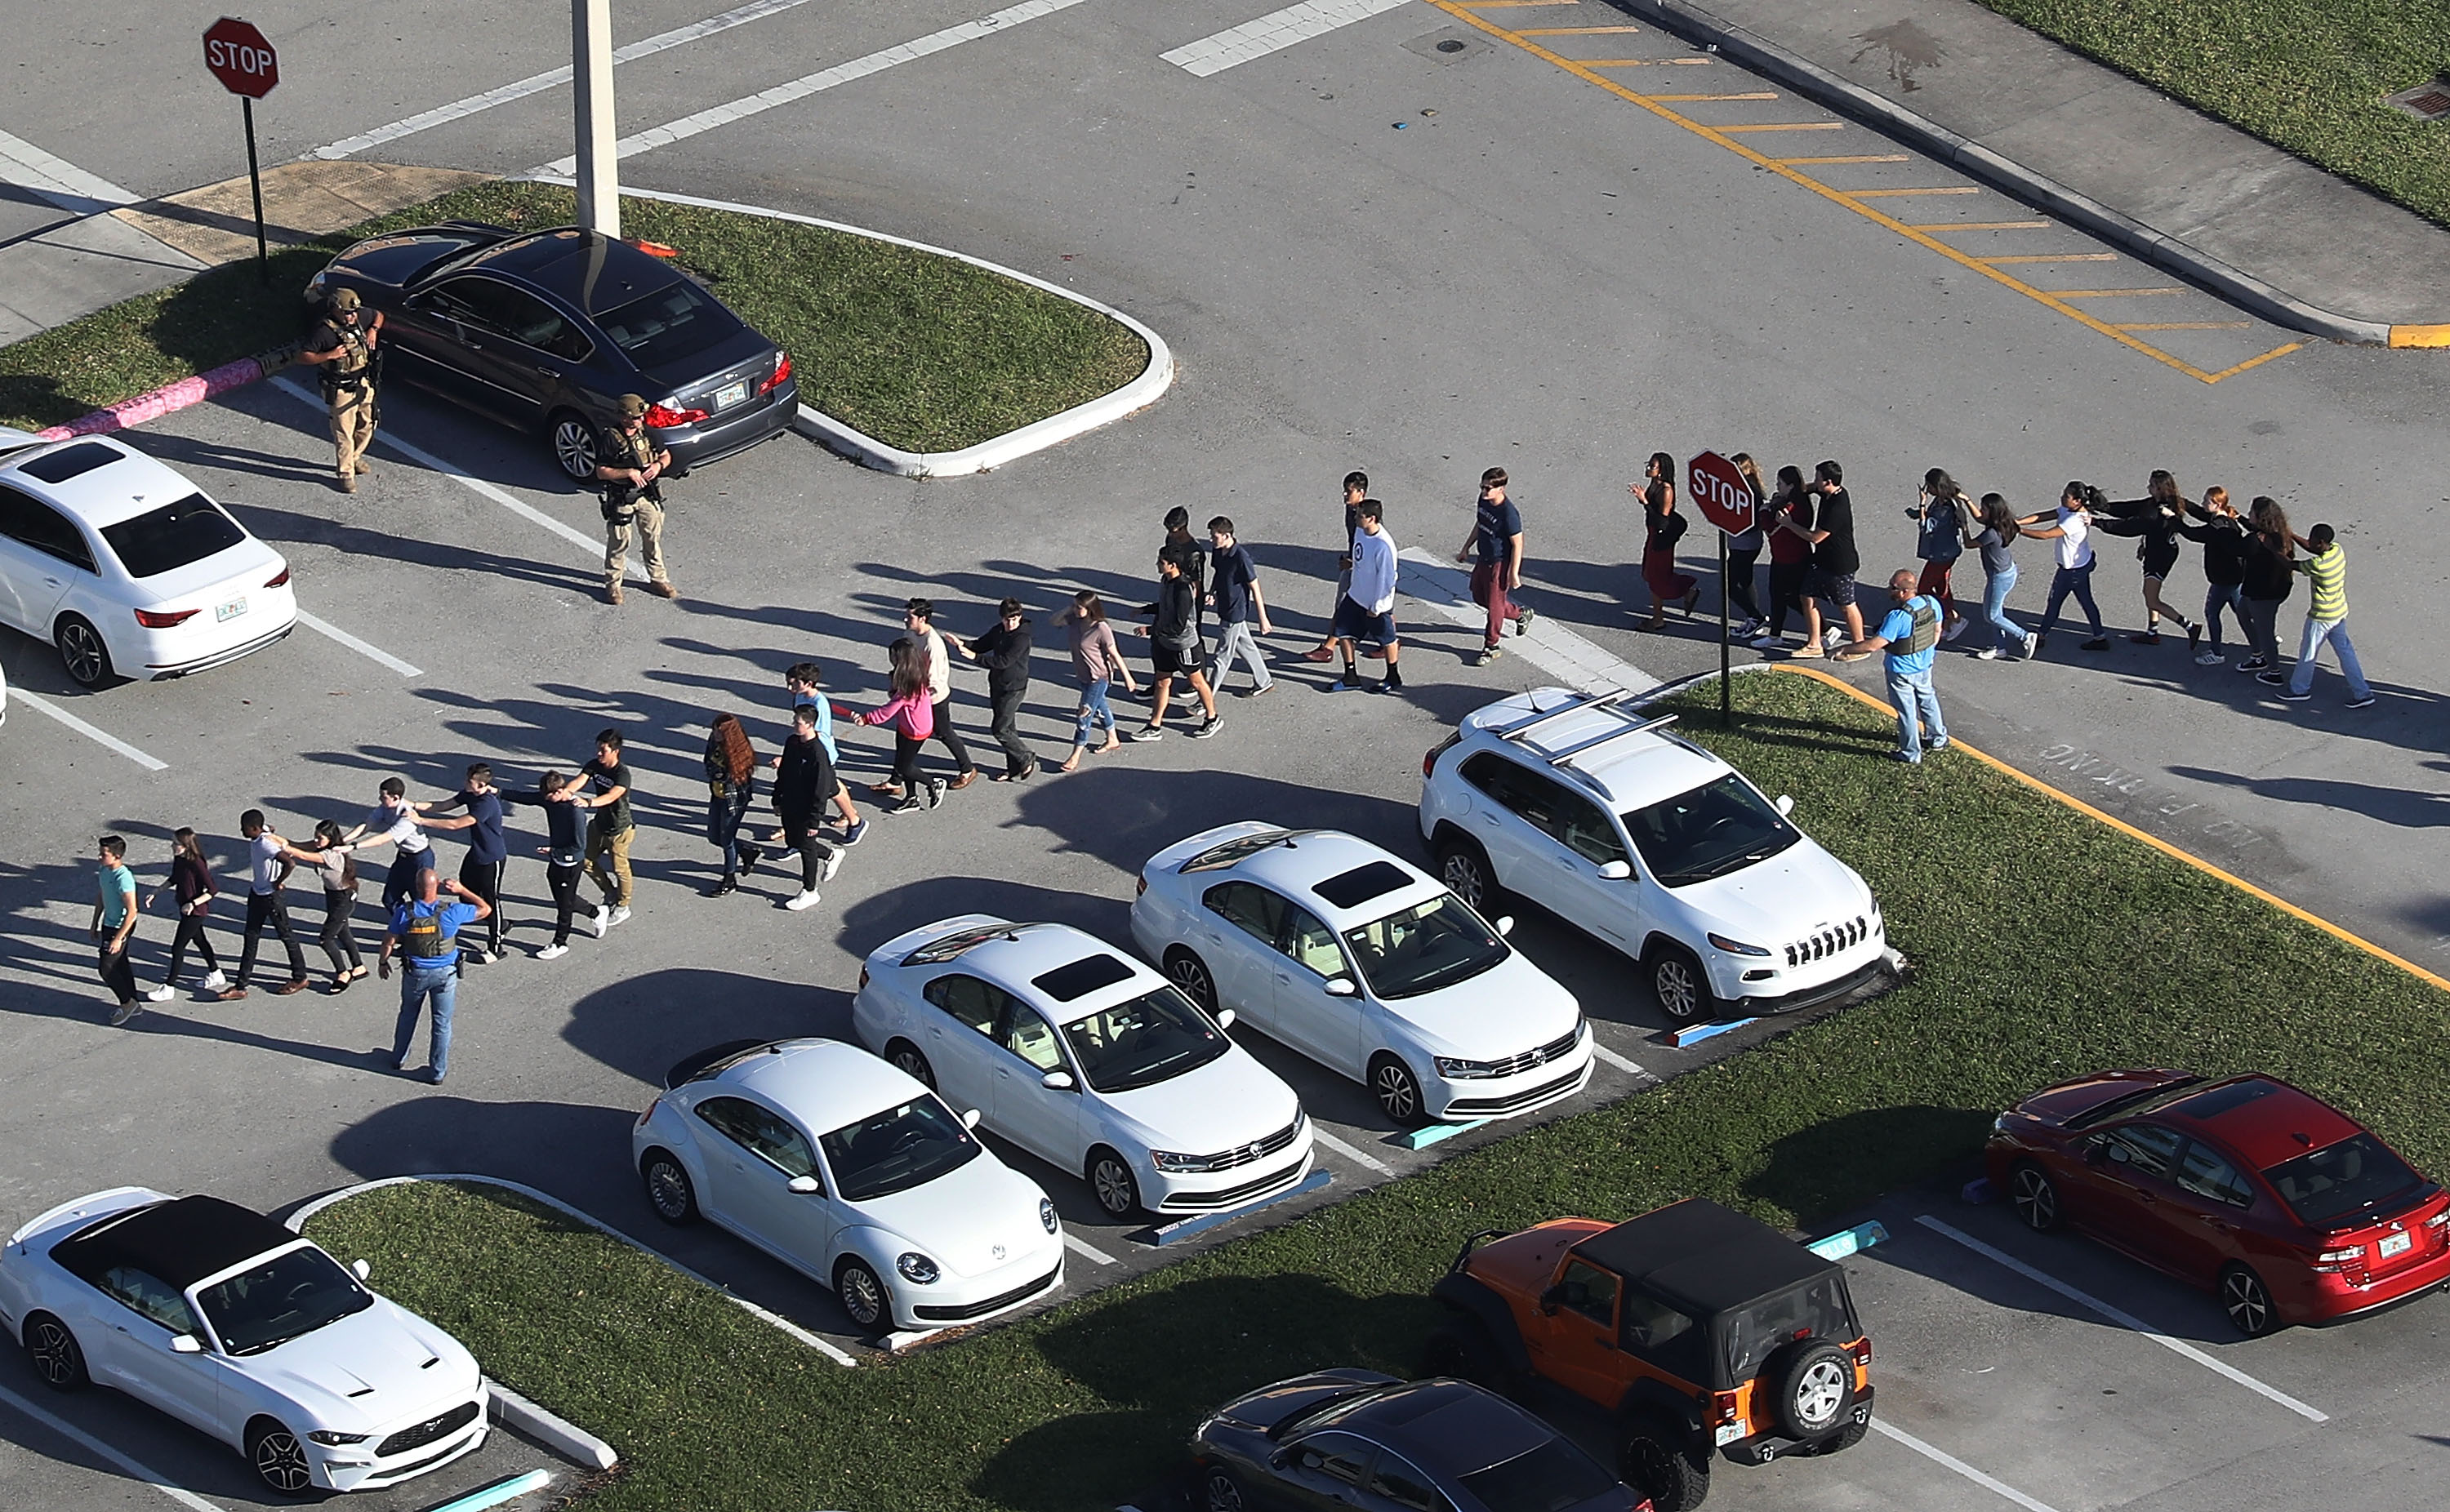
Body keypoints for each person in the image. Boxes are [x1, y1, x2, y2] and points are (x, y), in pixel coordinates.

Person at [379, 869, 488, 1085]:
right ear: (436, 886)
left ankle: (399, 1058)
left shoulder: (405, 912)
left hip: (415, 973)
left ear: (417, 888)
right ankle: (437, 1071)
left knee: (408, 1015)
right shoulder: (451, 912)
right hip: (445, 974)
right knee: (442, 1023)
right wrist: (462, 889)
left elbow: (389, 940)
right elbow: (485, 909)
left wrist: (383, 962)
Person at [1835, 571, 1949, 763]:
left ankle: (1911, 752)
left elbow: (1873, 645)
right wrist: (1927, 651)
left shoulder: (1898, 617)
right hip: (1925, 664)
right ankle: (1938, 738)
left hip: (1900, 669)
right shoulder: (1931, 603)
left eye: (1893, 587)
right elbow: (1937, 630)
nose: (1889, 590)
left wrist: (1844, 648)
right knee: (1928, 698)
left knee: (1906, 712)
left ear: (1904, 592)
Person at [879, 599, 978, 797]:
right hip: (912, 694)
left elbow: (935, 682)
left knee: (943, 732)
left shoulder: (933, 645)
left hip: (932, 699)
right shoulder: (910, 633)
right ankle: (896, 780)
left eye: (910, 616)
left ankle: (968, 769)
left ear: (923, 619)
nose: (906, 619)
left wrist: (910, 695)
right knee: (904, 736)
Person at [2091, 470, 2199, 648]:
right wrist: (2103, 507)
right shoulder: (2170, 503)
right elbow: (2128, 508)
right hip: (2159, 551)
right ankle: (2152, 633)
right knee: (2150, 594)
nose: (2148, 487)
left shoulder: (2155, 511)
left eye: (2151, 485)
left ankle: (2190, 627)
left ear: (2160, 488)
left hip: (2160, 556)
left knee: (2152, 599)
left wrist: (2097, 523)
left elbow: (2129, 526)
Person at [415, 764, 509, 962]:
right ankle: (500, 923)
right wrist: (412, 805)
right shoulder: (470, 794)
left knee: (491, 899)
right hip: (476, 853)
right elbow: (441, 806)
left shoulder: (487, 803)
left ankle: (496, 946)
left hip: (492, 858)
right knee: (466, 893)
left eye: (469, 781)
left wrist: (421, 821)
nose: (465, 783)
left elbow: (455, 824)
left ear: (481, 784)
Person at [294, 287, 381, 493]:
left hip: (362, 383)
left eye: (353, 312)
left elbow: (379, 315)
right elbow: (303, 356)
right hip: (341, 389)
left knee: (368, 423)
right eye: (347, 312)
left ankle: (355, 457)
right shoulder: (324, 332)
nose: (352, 316)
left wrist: (373, 330)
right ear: (335, 309)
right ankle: (345, 474)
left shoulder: (361, 316)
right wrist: (329, 355)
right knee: (344, 433)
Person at [595, 394, 679, 606]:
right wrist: (628, 473)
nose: (639, 421)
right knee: (619, 542)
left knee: (652, 538)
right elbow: (601, 472)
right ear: (623, 417)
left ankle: (658, 579)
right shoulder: (611, 438)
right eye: (634, 418)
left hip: (647, 496)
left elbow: (665, 455)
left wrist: (658, 466)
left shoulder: (648, 432)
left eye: (640, 417)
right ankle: (613, 585)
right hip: (622, 497)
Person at [2279, 523, 2373, 708]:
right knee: (2346, 653)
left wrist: (2272, 550)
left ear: (2321, 542)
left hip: (2321, 616)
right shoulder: (2337, 551)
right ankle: (2362, 692)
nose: (2309, 541)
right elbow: (2310, 547)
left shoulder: (2318, 565)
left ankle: (2299, 689)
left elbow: (2290, 565)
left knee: (2309, 652)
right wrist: (2291, 534)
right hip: (2338, 612)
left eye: (2312, 539)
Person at [220, 810, 310, 1000]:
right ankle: (241, 985)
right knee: (250, 936)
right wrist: (269, 829)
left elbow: (290, 863)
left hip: (271, 897)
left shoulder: (264, 844)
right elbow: (270, 827)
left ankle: (300, 977)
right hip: (257, 893)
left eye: (244, 828)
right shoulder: (263, 833)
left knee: (286, 936)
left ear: (254, 828)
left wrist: (278, 881)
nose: (241, 831)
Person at [1134, 548, 1222, 740]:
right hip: (1165, 642)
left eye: (1161, 562)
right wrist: (1146, 610)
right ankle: (1154, 726)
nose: (1158, 564)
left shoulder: (1183, 589)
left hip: (1184, 645)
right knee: (1161, 681)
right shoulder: (1166, 580)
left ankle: (1212, 718)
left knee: (1197, 682)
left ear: (1172, 565)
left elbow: (1179, 624)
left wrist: (1150, 630)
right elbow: (1165, 607)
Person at [502, 772, 590, 959]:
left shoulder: (575, 812)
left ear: (559, 791)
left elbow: (579, 846)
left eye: (549, 795)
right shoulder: (549, 799)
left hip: (571, 862)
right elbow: (526, 797)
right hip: (556, 859)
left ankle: (560, 942)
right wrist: (499, 792)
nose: (546, 799)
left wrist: (553, 851)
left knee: (564, 905)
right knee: (563, 896)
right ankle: (595, 912)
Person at [2019, 483, 2110, 654]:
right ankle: (2100, 637)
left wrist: (2017, 530)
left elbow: (2046, 534)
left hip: (2070, 571)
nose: (2062, 497)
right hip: (2080, 566)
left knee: (2054, 602)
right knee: (2086, 602)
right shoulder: (2068, 510)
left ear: (2077, 501)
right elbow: (2043, 516)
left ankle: (2041, 636)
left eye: (2066, 496)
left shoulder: (2075, 521)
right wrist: (2018, 522)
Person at [781, 662, 866, 843]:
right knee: (832, 786)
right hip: (809, 750)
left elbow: (815, 734)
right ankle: (851, 817)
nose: (790, 688)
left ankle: (855, 821)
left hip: (821, 753)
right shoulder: (801, 696)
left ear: (809, 683)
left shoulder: (819, 703)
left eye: (794, 684)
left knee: (830, 788)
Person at [1455, 469, 1535, 664]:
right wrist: (1466, 548)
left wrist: (1514, 573)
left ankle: (1491, 646)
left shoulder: (1509, 514)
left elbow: (1518, 543)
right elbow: (1480, 524)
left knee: (1494, 607)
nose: (1483, 491)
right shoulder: (1484, 501)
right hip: (1483, 558)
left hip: (1499, 563)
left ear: (1501, 489)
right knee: (1479, 595)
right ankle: (1520, 613)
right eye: (1482, 486)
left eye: (1488, 488)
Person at [773, 705, 847, 909]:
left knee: (806, 847)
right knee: (795, 841)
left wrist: (815, 820)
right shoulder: (792, 742)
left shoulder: (817, 753)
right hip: (790, 803)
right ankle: (832, 855)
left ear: (810, 725)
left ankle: (810, 891)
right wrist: (777, 797)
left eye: (798, 722)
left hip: (807, 809)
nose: (794, 725)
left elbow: (821, 790)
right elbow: (784, 772)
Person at [862, 638, 946, 814]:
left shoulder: (908, 687)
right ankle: (912, 798)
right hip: (907, 726)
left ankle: (933, 783)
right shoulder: (914, 674)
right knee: (904, 761)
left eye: (892, 655)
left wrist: (866, 719)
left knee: (904, 766)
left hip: (916, 730)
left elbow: (886, 712)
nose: (890, 658)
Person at [959, 599, 1040, 779]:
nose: (1011, 623)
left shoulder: (1022, 637)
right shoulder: (999, 630)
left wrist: (975, 658)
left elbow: (1004, 661)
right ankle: (1013, 768)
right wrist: (961, 643)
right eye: (1007, 619)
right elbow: (981, 644)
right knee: (1009, 729)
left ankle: (1026, 756)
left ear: (1020, 616)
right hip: (997, 684)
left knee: (1000, 729)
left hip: (1014, 688)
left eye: (1014, 619)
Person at [1054, 590, 1134, 772]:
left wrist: (1128, 677)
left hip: (1099, 677)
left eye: (1079, 607)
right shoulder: (1074, 620)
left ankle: (1075, 756)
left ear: (1090, 609)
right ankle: (1112, 738)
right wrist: (1070, 608)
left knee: (1084, 715)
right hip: (1083, 676)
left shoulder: (1101, 629)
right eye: (1074, 606)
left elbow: (1115, 654)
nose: (1075, 609)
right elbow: (1054, 621)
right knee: (1100, 707)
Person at [1330, 499, 1403, 693]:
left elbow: (1388, 580)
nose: (1355, 518)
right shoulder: (1361, 532)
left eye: (1359, 516)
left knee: (1388, 640)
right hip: (1356, 596)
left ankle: (1393, 676)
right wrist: (1351, 563)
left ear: (1372, 518)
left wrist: (1377, 607)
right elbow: (1363, 559)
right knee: (1342, 632)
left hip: (1374, 604)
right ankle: (1350, 676)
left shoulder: (1384, 546)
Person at [145, 828, 226, 1001]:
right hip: (184, 908)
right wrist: (156, 892)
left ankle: (169, 987)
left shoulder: (197, 863)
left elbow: (213, 889)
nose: (172, 846)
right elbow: (175, 878)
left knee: (178, 947)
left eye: (176, 843)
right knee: (200, 940)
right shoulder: (180, 859)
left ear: (186, 846)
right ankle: (216, 973)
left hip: (195, 912)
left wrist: (193, 903)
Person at [1796, 460, 1866, 657]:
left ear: (1828, 482)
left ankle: (1859, 646)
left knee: (1846, 606)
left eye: (1818, 478)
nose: (1814, 482)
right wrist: (1794, 492)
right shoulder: (1829, 491)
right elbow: (1809, 488)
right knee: (1807, 597)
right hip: (1822, 561)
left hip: (1840, 564)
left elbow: (1815, 537)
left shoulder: (1838, 506)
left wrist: (1788, 524)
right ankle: (1814, 644)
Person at [337, 777, 435, 913]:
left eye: (383, 797)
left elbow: (383, 838)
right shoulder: (384, 808)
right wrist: (342, 841)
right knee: (390, 899)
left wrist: (354, 846)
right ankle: (403, 925)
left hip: (420, 859)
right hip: (403, 857)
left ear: (395, 798)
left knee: (420, 900)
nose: (380, 799)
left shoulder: (407, 816)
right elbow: (367, 825)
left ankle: (418, 928)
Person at [2176, 487, 2250, 665]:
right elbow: (2199, 513)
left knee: (2212, 612)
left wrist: (2172, 519)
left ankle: (2217, 653)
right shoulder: (2228, 520)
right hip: (2236, 575)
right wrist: (2181, 502)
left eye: (2206, 501)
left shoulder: (2216, 527)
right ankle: (2264, 642)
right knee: (2243, 612)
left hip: (2223, 579)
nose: (2203, 504)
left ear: (2217, 504)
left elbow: (2192, 534)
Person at [1205, 518, 1277, 694]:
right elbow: (1219, 573)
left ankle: (1206, 698)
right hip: (1224, 606)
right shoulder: (1218, 551)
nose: (1211, 540)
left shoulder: (1241, 558)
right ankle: (1264, 681)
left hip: (1234, 611)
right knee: (1245, 645)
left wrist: (1263, 617)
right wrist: (1212, 592)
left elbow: (1255, 586)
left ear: (1227, 535)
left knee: (1222, 657)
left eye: (1214, 537)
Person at [1305, 471, 1371, 662]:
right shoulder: (1352, 510)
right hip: (1353, 563)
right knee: (1370, 611)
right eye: (1344, 490)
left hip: (1361, 568)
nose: (1344, 495)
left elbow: (1372, 549)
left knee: (1345, 606)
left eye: (1348, 491)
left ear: (1361, 492)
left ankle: (1328, 648)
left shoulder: (1367, 518)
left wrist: (1353, 563)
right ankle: (1390, 643)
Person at [1633, 452, 1699, 629]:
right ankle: (1687, 593)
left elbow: (1662, 521)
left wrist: (1645, 501)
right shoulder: (1655, 484)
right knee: (1651, 575)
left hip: (1661, 539)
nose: (1648, 469)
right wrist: (1645, 500)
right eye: (1649, 464)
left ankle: (1658, 619)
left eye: (1652, 466)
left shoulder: (1666, 490)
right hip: (1653, 535)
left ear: (1661, 470)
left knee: (1657, 579)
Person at [1751, 465, 1813, 651]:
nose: (1777, 487)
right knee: (1777, 597)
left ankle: (1824, 629)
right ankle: (1775, 635)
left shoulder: (1792, 507)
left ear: (1791, 486)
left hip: (1793, 559)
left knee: (1793, 598)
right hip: (1781, 558)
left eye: (1780, 484)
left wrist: (1764, 510)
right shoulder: (1794, 502)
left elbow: (1771, 528)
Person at [580, 729, 636, 936]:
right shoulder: (595, 766)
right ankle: (610, 893)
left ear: (615, 751)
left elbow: (613, 795)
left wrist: (588, 802)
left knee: (620, 869)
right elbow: (579, 780)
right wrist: (564, 793)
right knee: (585, 861)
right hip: (599, 825)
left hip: (619, 829)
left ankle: (623, 906)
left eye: (603, 750)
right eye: (598, 749)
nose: (599, 754)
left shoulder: (622, 774)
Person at [1963, 493, 2033, 660]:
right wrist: (1966, 500)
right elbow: (1980, 518)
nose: (1981, 511)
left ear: (1992, 511)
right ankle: (2000, 647)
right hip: (2007, 572)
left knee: (1992, 616)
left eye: (1984, 508)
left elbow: (1969, 544)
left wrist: (1964, 526)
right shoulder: (2003, 524)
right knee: (1995, 612)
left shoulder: (1992, 533)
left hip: (1999, 577)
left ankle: (2024, 636)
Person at [2237, 496, 2296, 679]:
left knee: (2265, 632)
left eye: (2251, 513)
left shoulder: (2255, 541)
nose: (2249, 514)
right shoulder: (2280, 535)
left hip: (2263, 593)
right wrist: (2239, 518)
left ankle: (2274, 672)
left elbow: (2236, 548)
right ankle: (2257, 656)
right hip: (2274, 589)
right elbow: (2254, 529)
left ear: (2261, 518)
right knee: (2243, 613)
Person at [702, 714, 760, 896]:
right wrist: (715, 773)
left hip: (733, 800)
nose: (715, 735)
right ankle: (746, 851)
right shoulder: (714, 741)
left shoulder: (740, 752)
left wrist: (720, 774)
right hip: (717, 795)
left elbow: (734, 778)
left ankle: (729, 879)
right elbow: (707, 761)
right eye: (714, 731)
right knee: (714, 836)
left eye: (719, 732)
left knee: (727, 839)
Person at [1908, 469, 1970, 641]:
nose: (1927, 489)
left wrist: (1922, 504)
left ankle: (1950, 618)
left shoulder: (1945, 507)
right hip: (1947, 552)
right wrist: (1918, 513)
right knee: (1942, 588)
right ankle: (1951, 620)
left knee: (1924, 589)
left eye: (1929, 485)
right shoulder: (1944, 501)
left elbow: (1927, 526)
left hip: (1941, 555)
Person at [305, 822, 364, 991]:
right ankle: (358, 967)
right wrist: (277, 839)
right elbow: (300, 846)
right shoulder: (322, 847)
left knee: (326, 939)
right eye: (315, 836)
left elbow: (303, 855)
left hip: (343, 898)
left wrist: (285, 846)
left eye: (320, 838)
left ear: (330, 839)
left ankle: (343, 973)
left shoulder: (332, 854)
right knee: (343, 931)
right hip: (332, 895)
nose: (316, 840)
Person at [92, 835, 143, 1026]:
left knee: (106, 968)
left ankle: (126, 1002)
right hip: (108, 924)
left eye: (104, 854)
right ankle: (133, 1001)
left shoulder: (124, 878)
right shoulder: (104, 871)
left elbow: (132, 912)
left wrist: (118, 938)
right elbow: (102, 896)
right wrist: (95, 923)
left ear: (117, 856)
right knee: (120, 963)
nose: (99, 857)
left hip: (121, 926)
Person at [1722, 455, 1768, 636]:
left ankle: (1756, 617)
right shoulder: (1741, 488)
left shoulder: (1751, 492)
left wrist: (1735, 526)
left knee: (1730, 586)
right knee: (1746, 580)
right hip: (1741, 544)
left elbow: (1754, 522)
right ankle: (1753, 618)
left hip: (1745, 545)